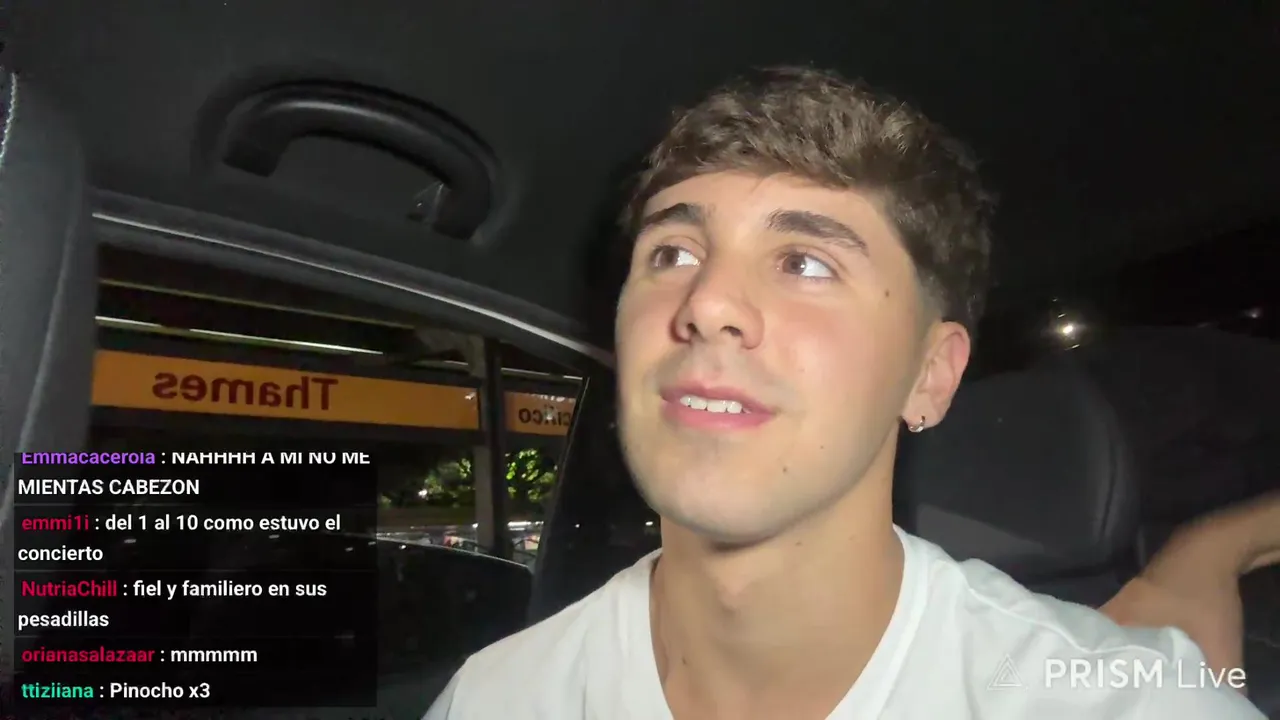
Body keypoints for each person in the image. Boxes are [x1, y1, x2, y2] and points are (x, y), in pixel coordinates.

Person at [425, 67, 1267, 718]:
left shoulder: (1125, 703)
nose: (707, 302)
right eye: (672, 254)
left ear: (930, 376)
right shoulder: (496, 698)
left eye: (805, 263)